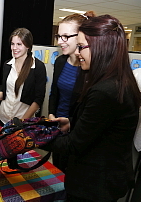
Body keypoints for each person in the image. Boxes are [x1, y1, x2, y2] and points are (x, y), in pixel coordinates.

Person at [44, 15, 141, 201]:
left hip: (94, 185)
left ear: (100, 47)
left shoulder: (104, 90)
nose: (78, 52)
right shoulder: (119, 81)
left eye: (81, 47)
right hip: (106, 179)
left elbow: (74, 144)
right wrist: (71, 122)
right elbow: (103, 125)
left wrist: (32, 138)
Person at [48, 11, 96, 172]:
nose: (61, 42)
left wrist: (69, 122)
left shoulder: (90, 69)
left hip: (76, 133)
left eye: (66, 36)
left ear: (81, 36)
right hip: (57, 128)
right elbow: (54, 93)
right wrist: (51, 116)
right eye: (59, 36)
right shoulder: (60, 61)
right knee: (56, 172)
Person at [0, 28, 46, 125]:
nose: (14, 48)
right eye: (12, 44)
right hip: (2, 118)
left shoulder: (38, 67)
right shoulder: (7, 64)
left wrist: (22, 121)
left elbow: (38, 99)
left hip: (22, 121)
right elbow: (6, 90)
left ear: (28, 46)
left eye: (19, 44)